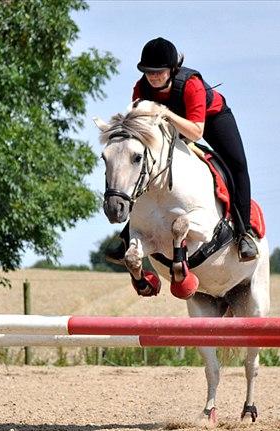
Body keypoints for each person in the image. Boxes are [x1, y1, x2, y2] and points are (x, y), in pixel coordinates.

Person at [107, 37, 259, 263]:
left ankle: (244, 233)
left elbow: (196, 132)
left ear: (172, 69)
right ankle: (130, 233)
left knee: (237, 165)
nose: (153, 76)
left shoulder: (191, 85)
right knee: (145, 164)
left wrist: (166, 113)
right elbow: (140, 130)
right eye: (149, 71)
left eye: (159, 71)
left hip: (211, 118)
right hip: (169, 125)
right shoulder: (141, 88)